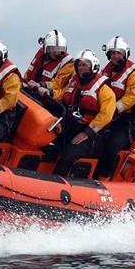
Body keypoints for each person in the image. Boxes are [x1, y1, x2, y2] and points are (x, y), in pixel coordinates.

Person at [49, 49, 115, 177]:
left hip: (91, 134)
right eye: (79, 65)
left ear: (93, 66)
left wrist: (87, 133)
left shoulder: (104, 90)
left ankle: (57, 181)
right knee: (52, 144)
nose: (81, 68)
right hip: (72, 126)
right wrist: (49, 93)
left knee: (70, 152)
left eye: (85, 64)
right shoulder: (74, 83)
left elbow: (106, 115)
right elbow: (62, 94)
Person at [95, 36, 135, 180]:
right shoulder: (107, 70)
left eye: (118, 53)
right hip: (105, 115)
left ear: (125, 54)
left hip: (124, 121)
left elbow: (130, 98)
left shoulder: (134, 75)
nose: (115, 56)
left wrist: (112, 109)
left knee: (111, 147)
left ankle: (103, 178)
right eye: (112, 53)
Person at [24, 29, 74, 98]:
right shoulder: (41, 54)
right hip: (29, 91)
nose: (56, 52)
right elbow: (29, 73)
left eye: (59, 49)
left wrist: (40, 85)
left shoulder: (68, 63)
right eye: (52, 49)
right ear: (46, 48)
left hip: (46, 98)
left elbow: (58, 84)